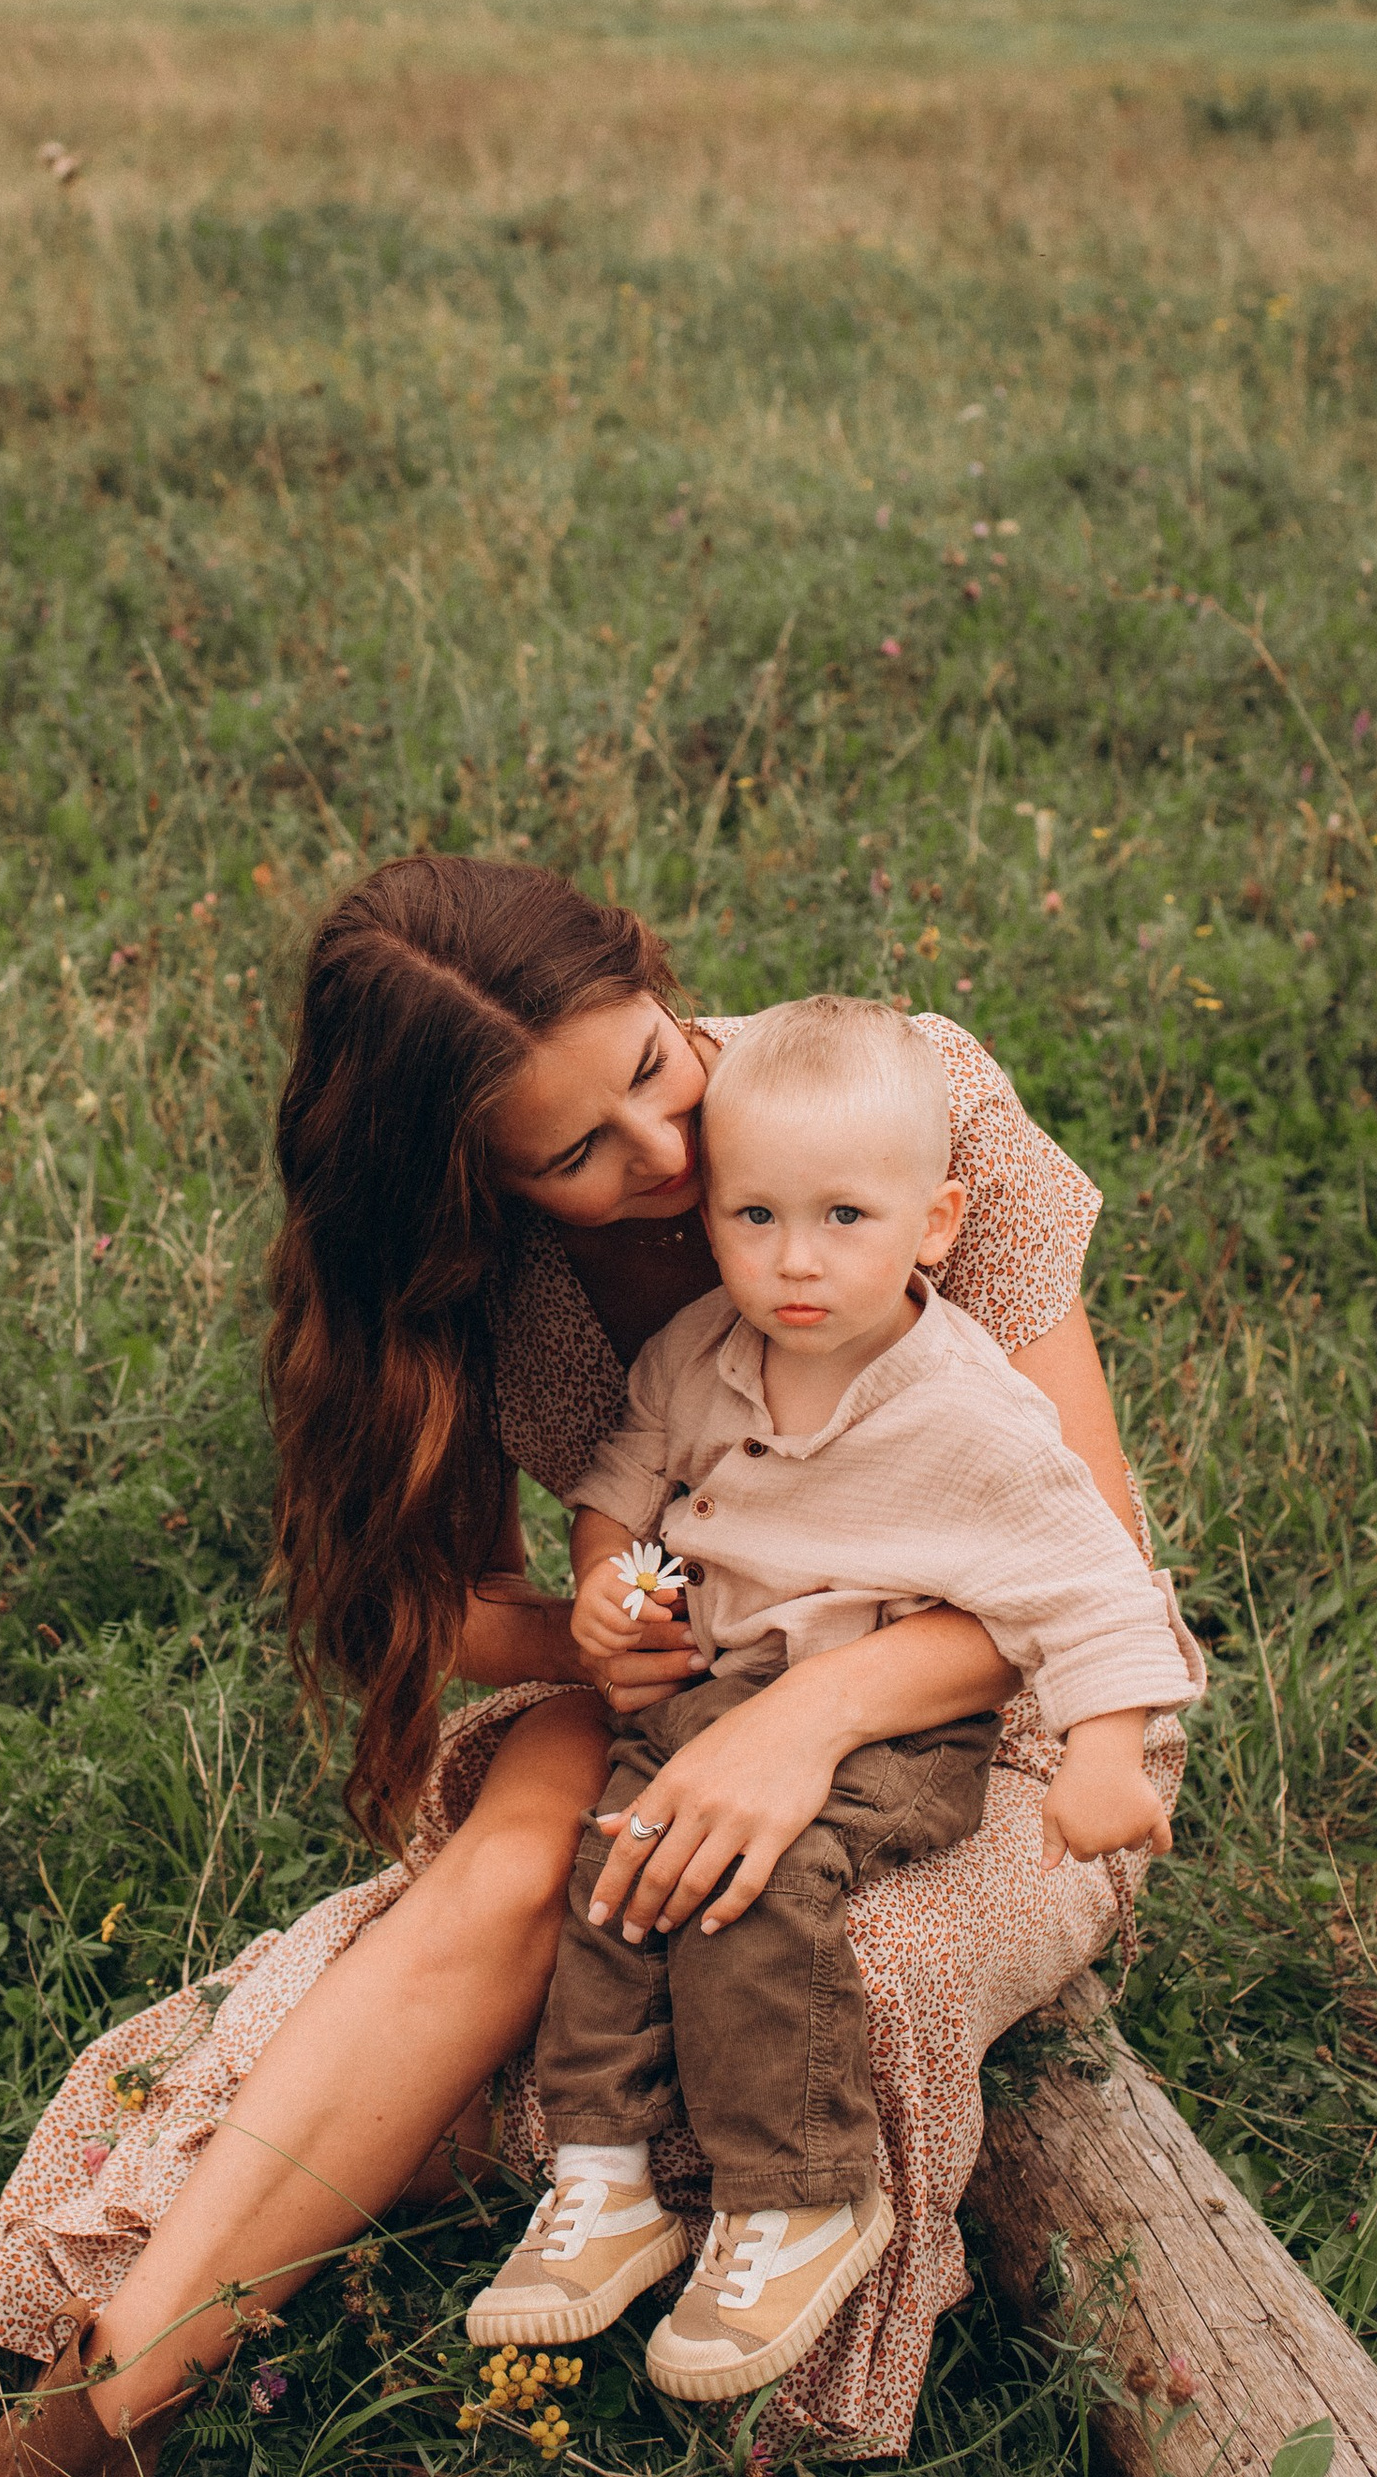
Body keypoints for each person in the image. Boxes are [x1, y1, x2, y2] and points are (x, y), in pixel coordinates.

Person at [0, 857, 1187, 2477]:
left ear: (668, 990)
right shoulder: (489, 1295)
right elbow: (438, 1616)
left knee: (822, 1953)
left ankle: (616, 2207)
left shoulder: (896, 1105)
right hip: (691, 1667)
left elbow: (1096, 1569)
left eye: (662, 1069)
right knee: (514, 1870)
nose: (667, 1156)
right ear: (470, 1195)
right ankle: (100, 2410)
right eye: (579, 1152)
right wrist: (602, 1630)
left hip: (997, 1699)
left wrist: (805, 1718)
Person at [466, 995, 1196, 2401]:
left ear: (935, 1223)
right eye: (755, 1221)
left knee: (755, 1882)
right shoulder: (700, 1354)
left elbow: (1098, 1579)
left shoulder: (965, 1408)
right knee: (619, 1871)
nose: (794, 1264)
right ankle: (608, 2170)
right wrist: (608, 1577)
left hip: (902, 1726)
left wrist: (1108, 1753)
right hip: (717, 1692)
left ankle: (798, 2193)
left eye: (845, 1220)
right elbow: (623, 1473)